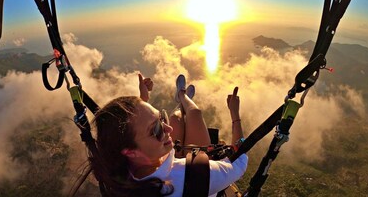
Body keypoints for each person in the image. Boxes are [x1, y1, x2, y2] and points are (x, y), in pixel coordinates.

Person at [86, 74, 248, 196]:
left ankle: (180, 101)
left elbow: (134, 135)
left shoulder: (119, 170)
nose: (167, 129)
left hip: (165, 162)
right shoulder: (202, 174)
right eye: (155, 130)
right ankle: (183, 97)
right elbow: (239, 162)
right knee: (195, 113)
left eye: (160, 118)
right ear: (130, 151)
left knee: (176, 120)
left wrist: (143, 100)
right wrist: (235, 114)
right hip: (194, 180)